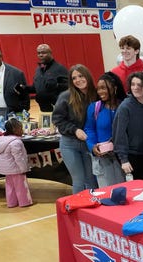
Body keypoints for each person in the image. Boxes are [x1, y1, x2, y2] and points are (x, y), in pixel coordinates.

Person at [52, 64, 98, 193]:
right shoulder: (65, 96)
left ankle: (92, 209)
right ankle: (77, 211)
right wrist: (75, 130)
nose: (78, 80)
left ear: (87, 76)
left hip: (89, 144)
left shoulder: (96, 95)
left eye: (81, 76)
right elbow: (57, 119)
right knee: (78, 180)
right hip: (69, 144)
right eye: (74, 78)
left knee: (91, 180)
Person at [84, 72, 126, 187]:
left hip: (121, 157)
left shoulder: (124, 106)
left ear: (114, 88)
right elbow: (89, 129)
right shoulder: (95, 107)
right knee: (106, 192)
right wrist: (92, 146)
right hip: (102, 157)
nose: (100, 92)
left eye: (104, 88)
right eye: (98, 89)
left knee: (124, 191)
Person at [0, 118, 32, 207]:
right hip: (16, 169)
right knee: (21, 186)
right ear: (14, 129)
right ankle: (24, 202)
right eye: (20, 128)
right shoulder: (16, 142)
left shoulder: (0, 141)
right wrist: (23, 168)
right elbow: (19, 158)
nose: (22, 130)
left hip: (6, 169)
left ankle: (11, 203)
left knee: (10, 186)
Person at [0, 46, 29, 116]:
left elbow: (25, 97)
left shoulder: (16, 73)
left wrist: (20, 113)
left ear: (1, 56)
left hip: (10, 114)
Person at [26, 44, 68, 112]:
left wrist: (56, 86)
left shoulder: (59, 68)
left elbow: (68, 87)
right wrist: (25, 88)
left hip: (59, 109)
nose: (40, 55)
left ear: (50, 53)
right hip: (44, 110)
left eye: (43, 52)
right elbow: (36, 88)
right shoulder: (38, 70)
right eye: (38, 53)